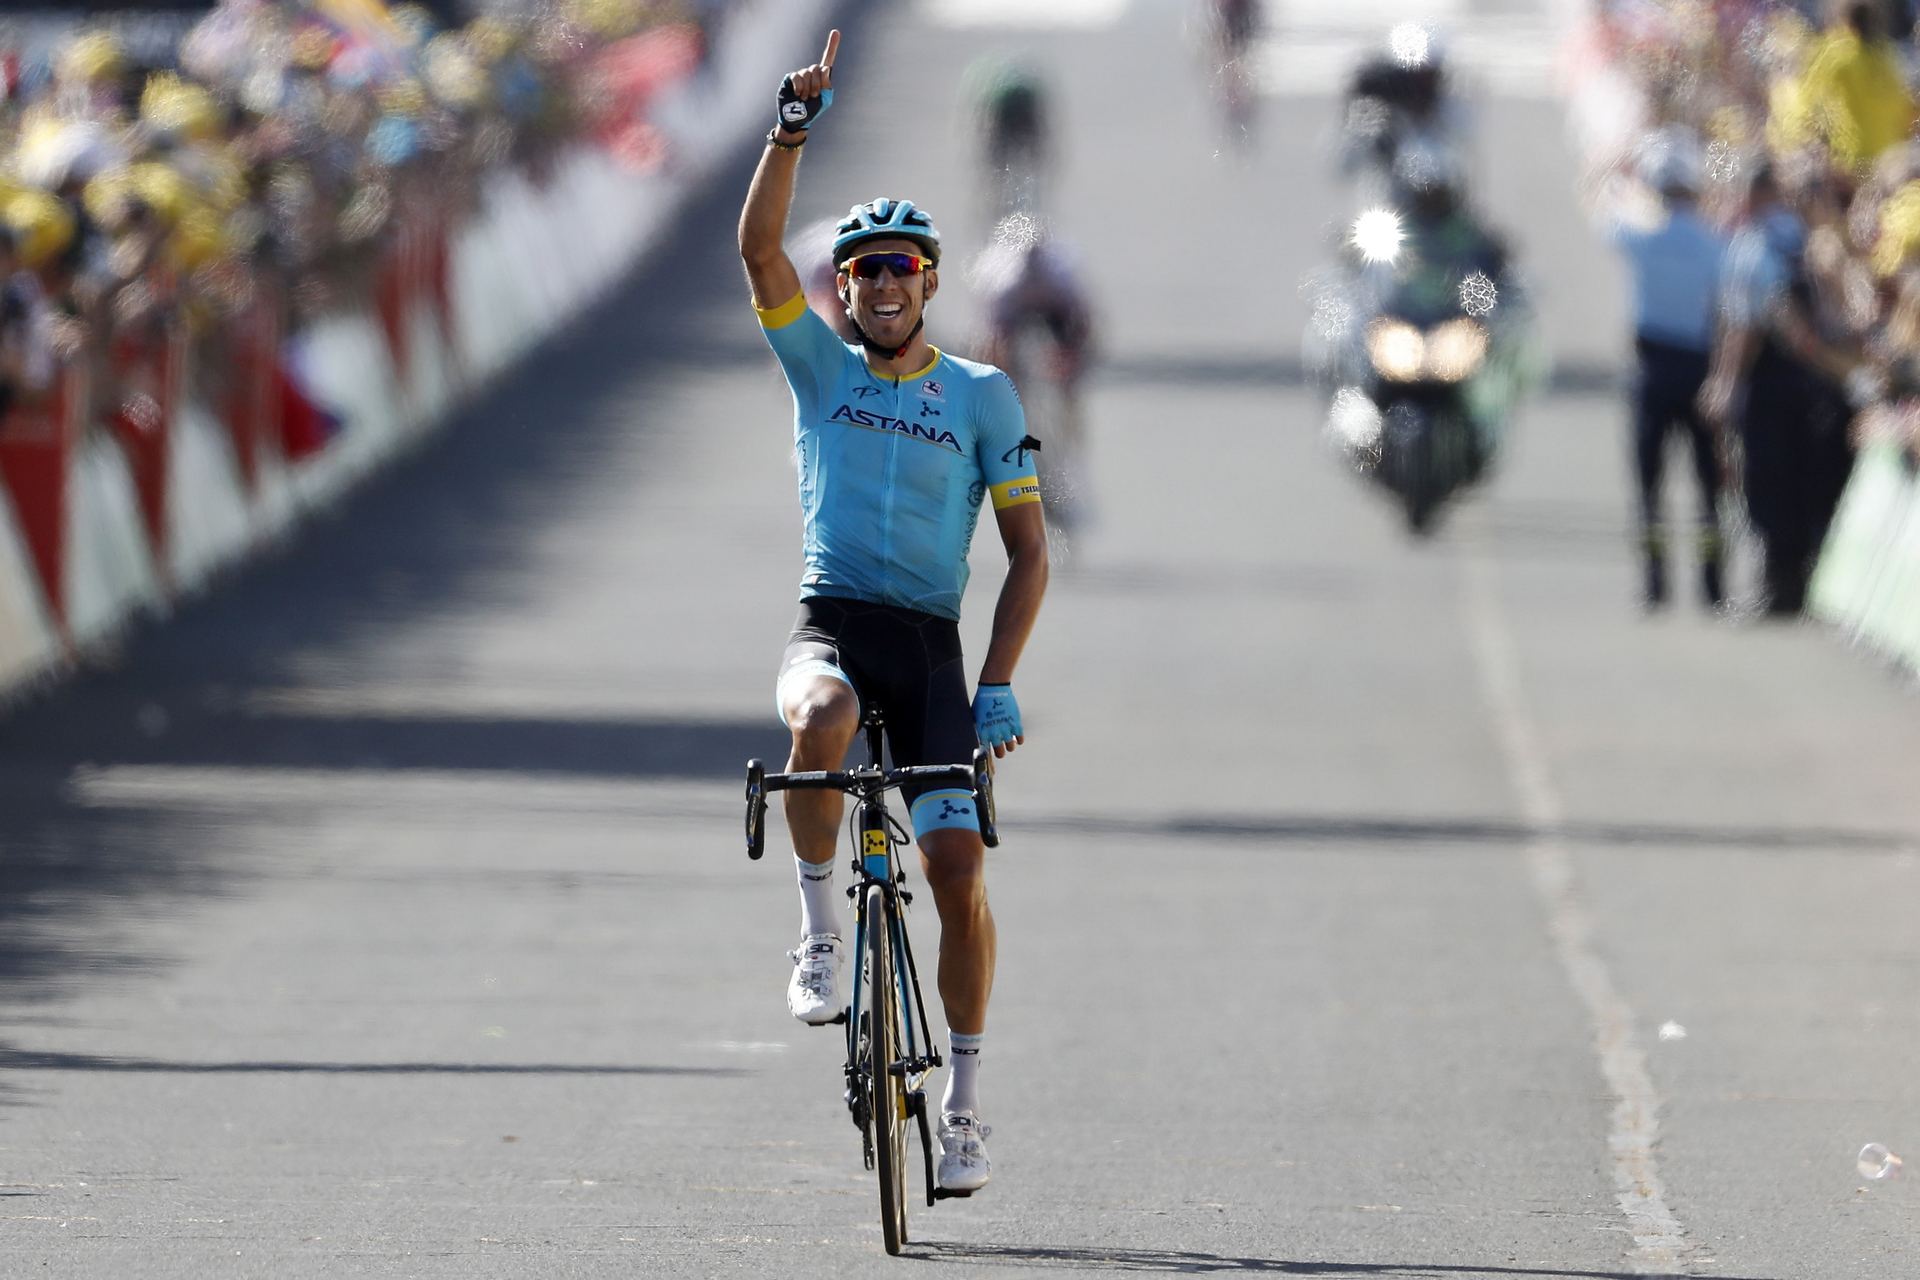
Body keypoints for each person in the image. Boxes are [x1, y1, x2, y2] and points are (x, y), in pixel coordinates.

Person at [737, 29, 1049, 1196]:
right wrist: (790, 126)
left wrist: (1001, 679)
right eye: (860, 272)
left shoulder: (981, 394)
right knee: (815, 717)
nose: (877, 287)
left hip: (930, 656)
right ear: (847, 289)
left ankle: (963, 1106)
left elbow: (1026, 553)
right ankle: (820, 930)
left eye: (897, 270)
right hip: (835, 623)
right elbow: (759, 248)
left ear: (927, 282)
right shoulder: (821, 371)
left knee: (960, 872)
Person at [1700, 160, 1863, 614]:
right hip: (1815, 383)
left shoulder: (1757, 242)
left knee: (1768, 484)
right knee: (1805, 482)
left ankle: (1781, 586)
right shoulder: (1801, 237)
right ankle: (1796, 582)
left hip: (1774, 380)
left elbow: (1747, 322)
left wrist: (1724, 383)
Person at [1601, 127, 1730, 609]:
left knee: (1649, 486)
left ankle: (1655, 584)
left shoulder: (1639, 233)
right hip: (1699, 367)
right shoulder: (1712, 240)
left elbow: (1603, 206)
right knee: (1706, 486)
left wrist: (1623, 171)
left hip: (1652, 368)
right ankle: (1713, 586)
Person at [972, 213, 1096, 527]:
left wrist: (1070, 362)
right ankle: (1023, 440)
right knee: (1005, 382)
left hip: (1058, 309)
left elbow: (1083, 327)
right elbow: (992, 342)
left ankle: (1070, 424)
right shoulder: (1003, 280)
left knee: (1072, 375)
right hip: (1009, 313)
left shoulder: (1061, 272)